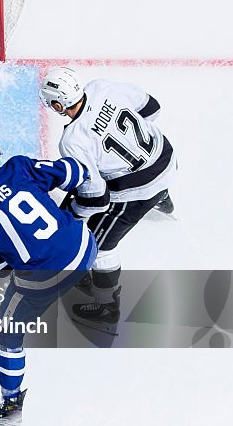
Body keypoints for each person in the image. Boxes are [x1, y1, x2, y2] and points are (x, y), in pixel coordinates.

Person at [0, 146, 97, 426]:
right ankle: (86, 289)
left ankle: (10, 409)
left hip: (46, 277)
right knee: (64, 236)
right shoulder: (17, 168)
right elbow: (75, 172)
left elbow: (4, 270)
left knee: (6, 332)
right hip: (85, 248)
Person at [39, 67, 177, 334]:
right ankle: (163, 198)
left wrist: (73, 219)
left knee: (100, 247)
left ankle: (107, 308)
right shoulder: (101, 87)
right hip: (166, 157)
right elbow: (152, 108)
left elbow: (97, 199)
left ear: (58, 105)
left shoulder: (72, 141)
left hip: (140, 189)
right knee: (135, 169)